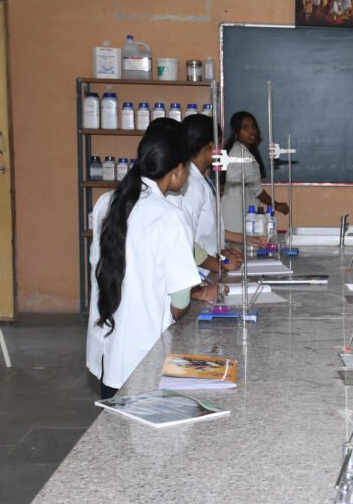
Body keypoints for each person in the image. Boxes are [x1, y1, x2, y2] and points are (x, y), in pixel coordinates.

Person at [86, 125, 203, 399]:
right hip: (144, 356)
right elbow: (180, 300)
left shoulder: (106, 202)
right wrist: (180, 308)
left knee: (115, 416)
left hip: (107, 348)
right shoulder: (169, 216)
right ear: (177, 169)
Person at [179, 114, 243, 272]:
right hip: (197, 273)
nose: (222, 149)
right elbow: (184, 241)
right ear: (210, 147)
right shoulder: (192, 186)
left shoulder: (203, 179)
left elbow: (208, 233)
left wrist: (222, 255)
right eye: (219, 143)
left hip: (207, 268)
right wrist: (219, 265)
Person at [220, 111, 289, 236]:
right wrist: (277, 205)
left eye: (253, 127)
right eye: (245, 128)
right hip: (235, 218)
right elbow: (257, 190)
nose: (252, 131)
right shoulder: (241, 155)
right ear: (236, 132)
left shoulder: (243, 151)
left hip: (240, 214)